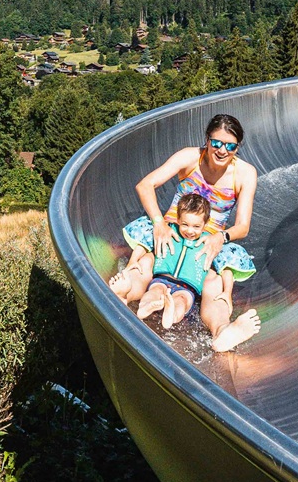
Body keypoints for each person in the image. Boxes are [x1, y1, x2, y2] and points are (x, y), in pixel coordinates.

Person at [108, 113, 261, 352]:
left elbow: (243, 225)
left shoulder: (244, 173)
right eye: (216, 143)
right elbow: (145, 185)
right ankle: (124, 293)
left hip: (207, 242)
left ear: (237, 147)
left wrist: (221, 237)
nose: (222, 150)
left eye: (230, 146)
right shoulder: (190, 157)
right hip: (173, 231)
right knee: (150, 262)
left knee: (213, 284)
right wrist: (158, 223)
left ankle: (222, 331)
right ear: (207, 140)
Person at [134, 192, 217, 331]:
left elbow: (225, 266)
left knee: (181, 302)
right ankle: (146, 306)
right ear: (178, 219)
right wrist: (134, 260)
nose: (190, 231)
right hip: (162, 279)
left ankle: (171, 315)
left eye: (196, 226)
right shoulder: (168, 230)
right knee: (155, 291)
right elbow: (145, 241)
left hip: (187, 289)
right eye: (185, 224)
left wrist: (227, 291)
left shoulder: (209, 242)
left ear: (205, 224)